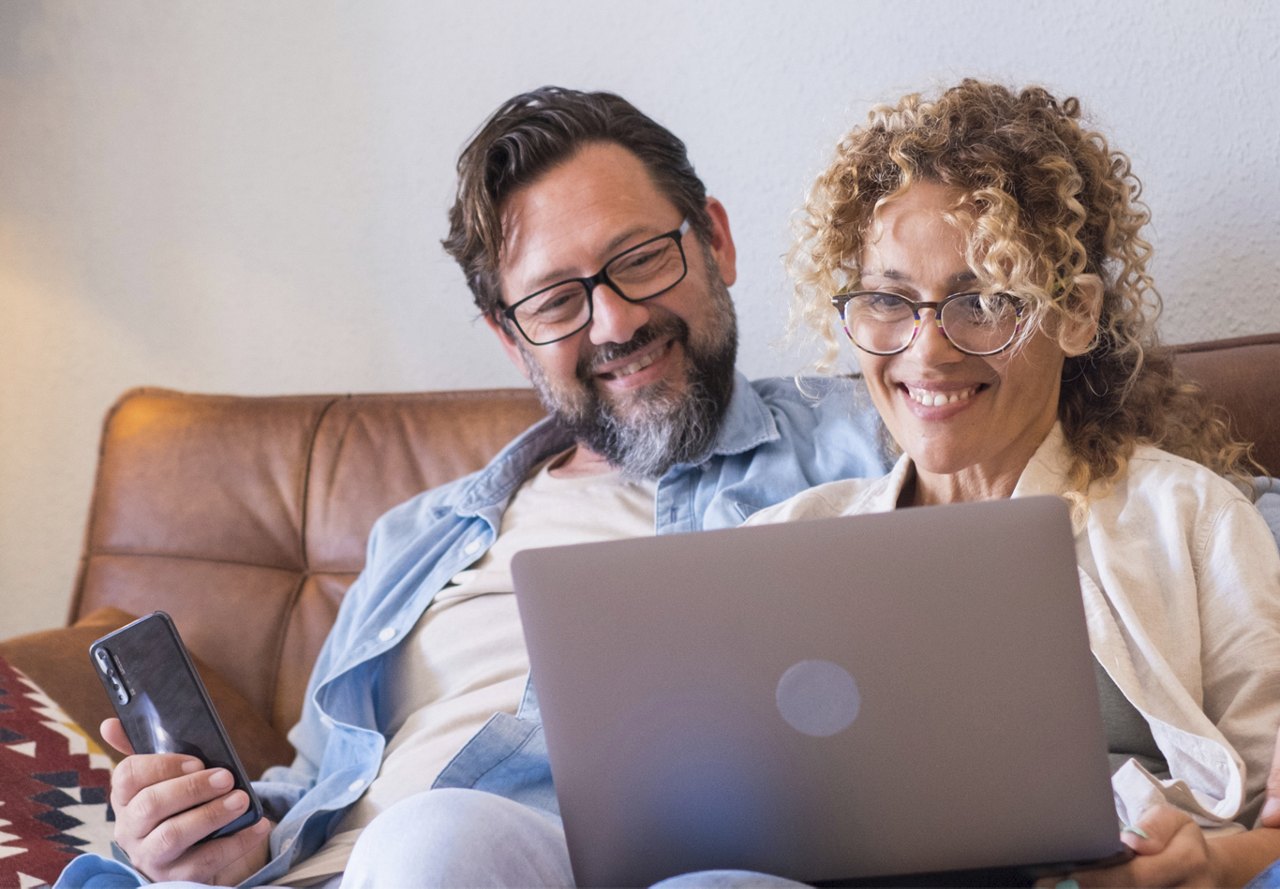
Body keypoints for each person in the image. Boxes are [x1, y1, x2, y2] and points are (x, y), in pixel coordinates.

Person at [55, 88, 889, 888]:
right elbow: (312, 784)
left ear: (715, 241)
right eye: (557, 301)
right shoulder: (420, 533)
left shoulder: (872, 438)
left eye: (639, 258)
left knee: (440, 838)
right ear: (509, 337)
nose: (615, 322)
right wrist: (204, 836)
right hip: (325, 870)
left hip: (566, 861)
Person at [734, 79, 1280, 887]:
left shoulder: (1190, 518)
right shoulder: (777, 549)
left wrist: (1210, 864)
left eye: (984, 300)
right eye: (889, 299)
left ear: (1076, 314)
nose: (927, 353)